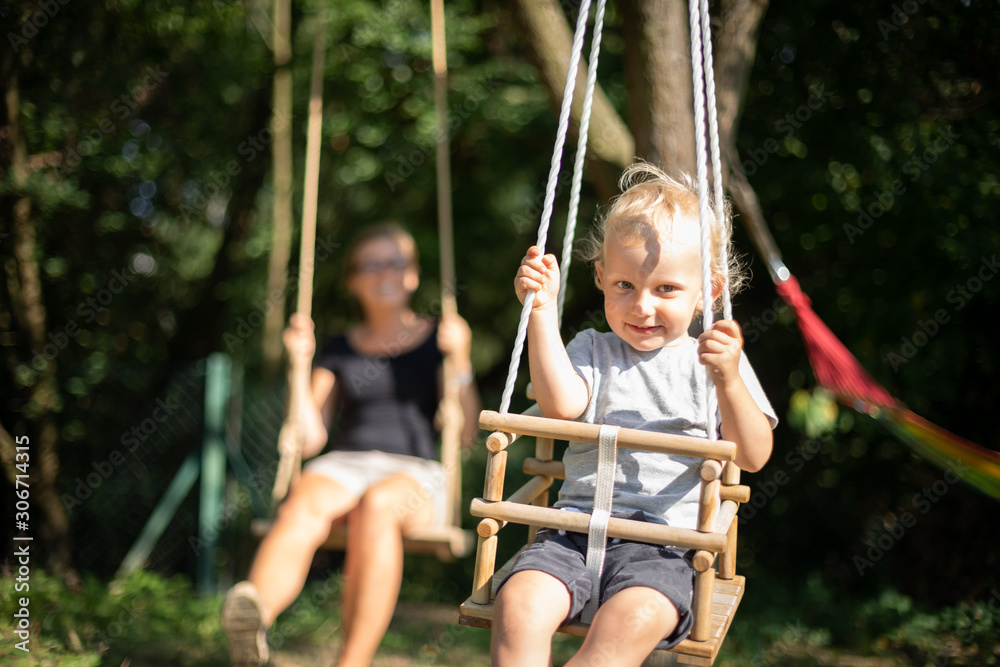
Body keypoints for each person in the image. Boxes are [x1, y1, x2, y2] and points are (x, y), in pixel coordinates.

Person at [491, 162, 778, 666]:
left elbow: (753, 455)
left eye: (665, 289)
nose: (642, 307)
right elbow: (560, 406)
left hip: (662, 549)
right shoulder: (591, 350)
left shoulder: (713, 359)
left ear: (708, 292)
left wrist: (729, 380)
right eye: (624, 285)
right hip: (571, 533)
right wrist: (540, 312)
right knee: (518, 602)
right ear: (601, 277)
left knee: (634, 622)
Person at [222, 223, 480, 667]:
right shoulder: (339, 347)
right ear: (353, 280)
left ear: (414, 274)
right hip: (345, 465)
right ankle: (253, 618)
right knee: (303, 499)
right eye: (372, 265)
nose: (385, 273)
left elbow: (470, 431)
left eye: (396, 262)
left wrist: (461, 358)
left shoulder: (441, 339)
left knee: (378, 506)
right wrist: (298, 365)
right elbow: (310, 436)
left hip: (415, 472)